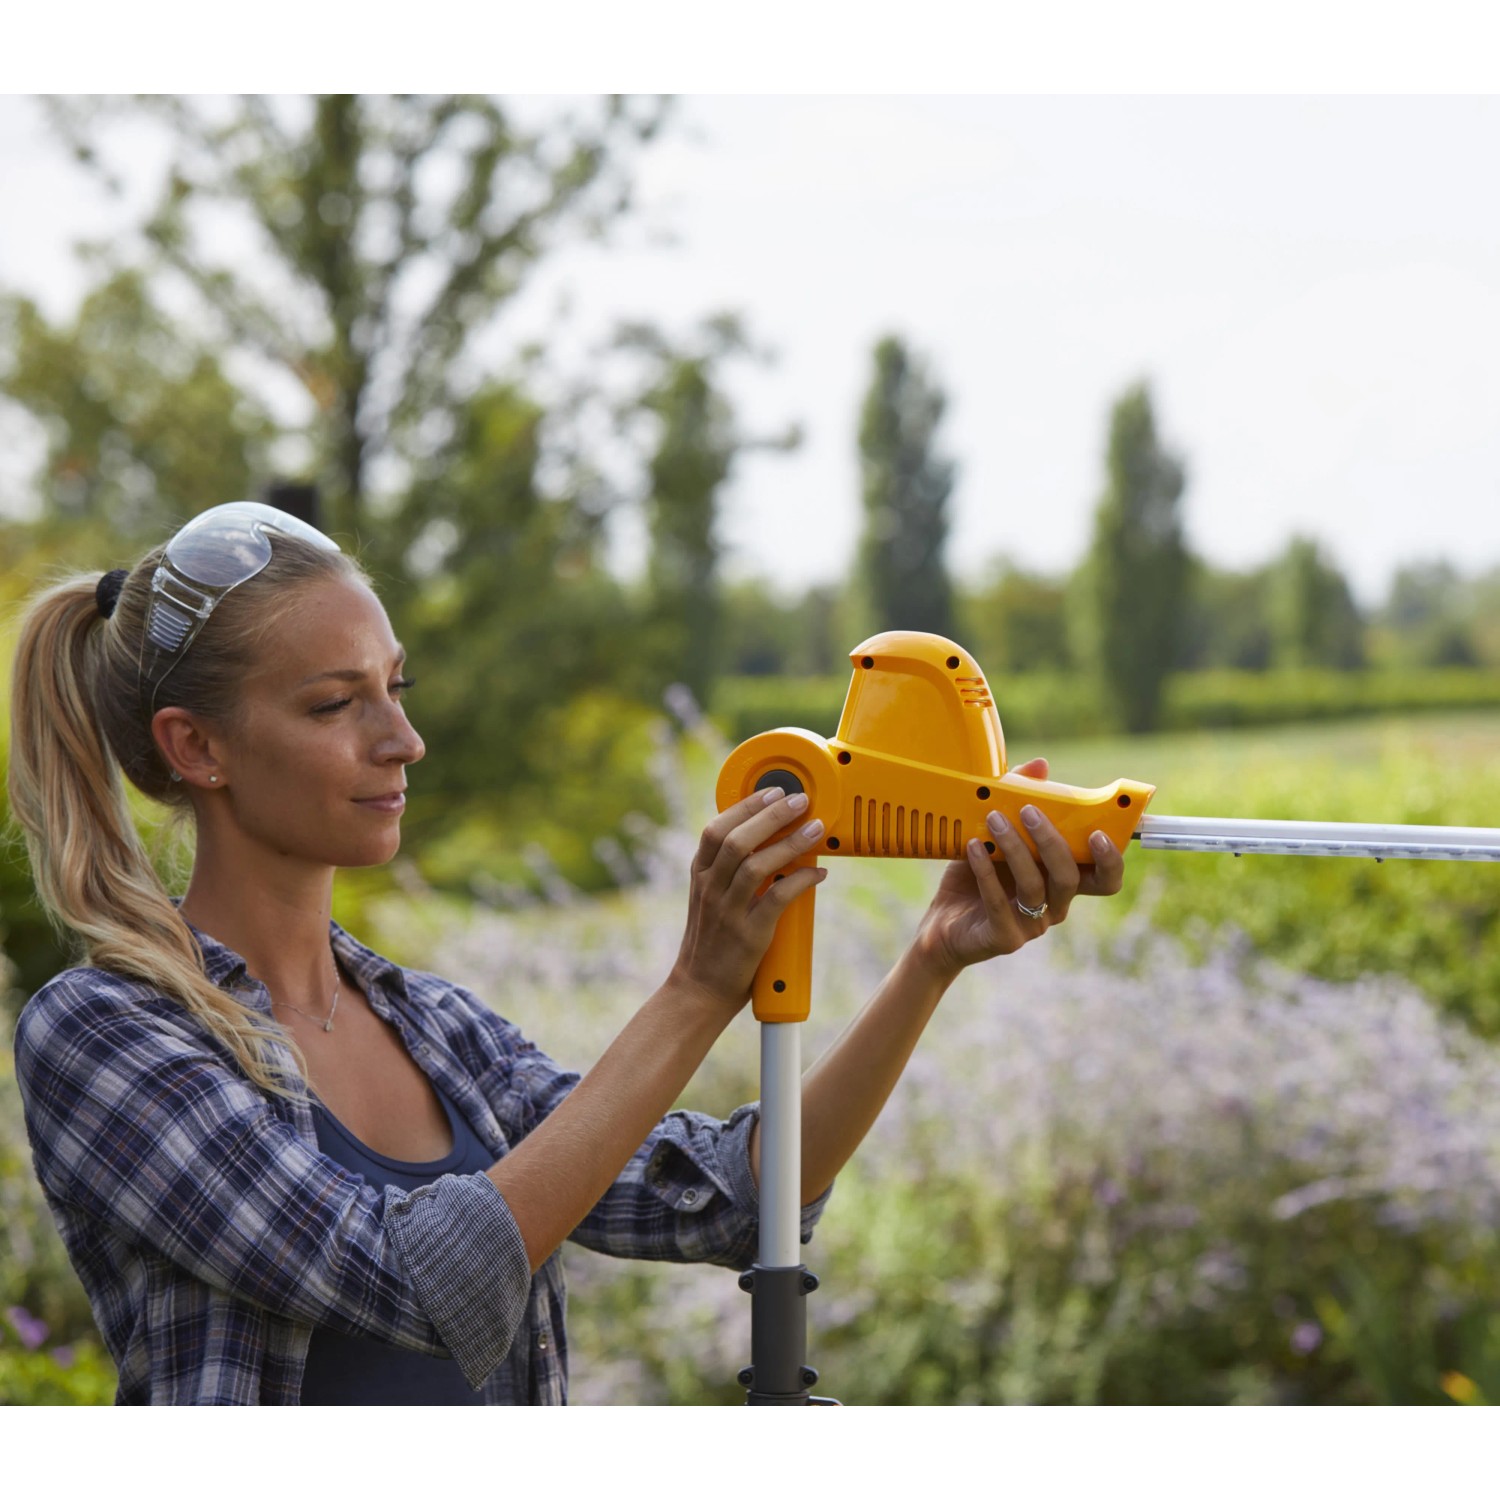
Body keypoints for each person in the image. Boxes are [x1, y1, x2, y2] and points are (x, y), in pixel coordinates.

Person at [4, 501, 1126, 1405]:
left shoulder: (433, 1030)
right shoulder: (105, 1034)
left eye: (395, 688)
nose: (404, 739)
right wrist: (695, 990)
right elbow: (414, 1280)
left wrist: (931, 958)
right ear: (195, 747)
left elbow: (731, 1199)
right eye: (337, 703)